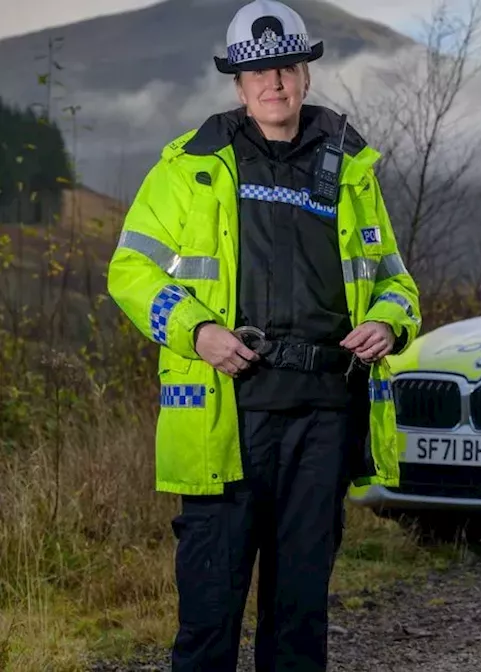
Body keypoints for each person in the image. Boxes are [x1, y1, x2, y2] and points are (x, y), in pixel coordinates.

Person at [105, 1, 421, 668]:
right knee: (209, 619)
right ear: (237, 84)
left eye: (286, 67)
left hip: (323, 417)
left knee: (300, 617)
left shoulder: (350, 169)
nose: (274, 82)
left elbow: (397, 281)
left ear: (306, 75)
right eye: (258, 72)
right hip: (228, 416)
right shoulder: (192, 168)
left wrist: (388, 320)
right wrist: (197, 332)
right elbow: (128, 271)